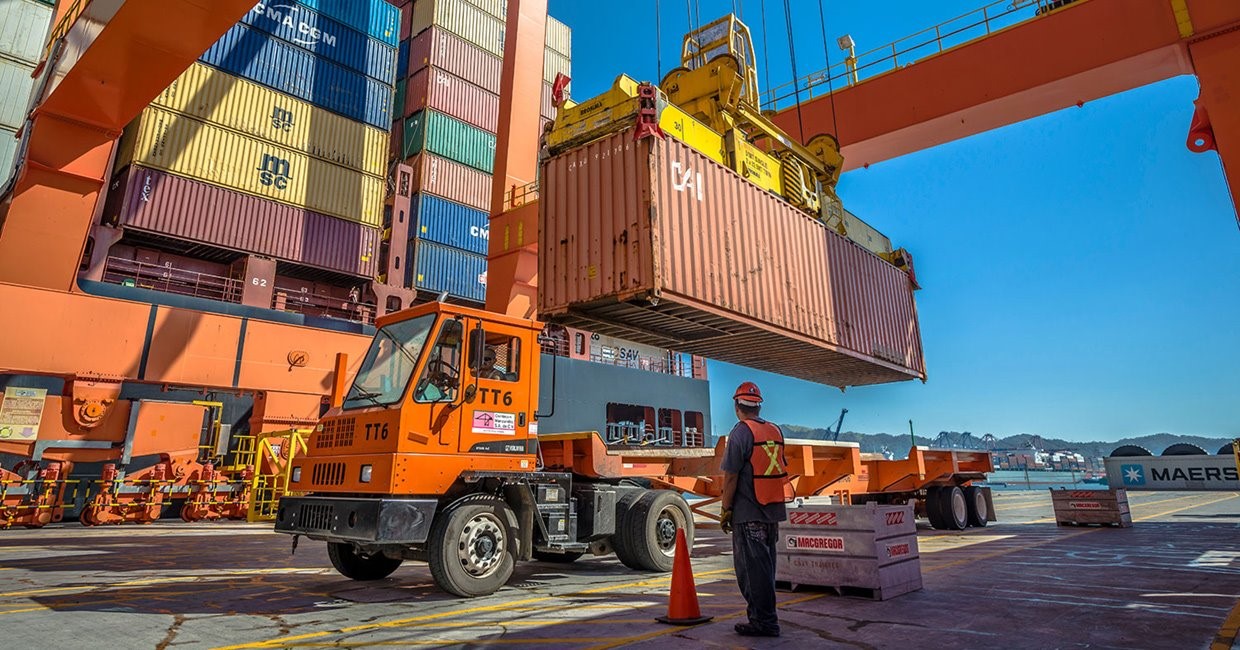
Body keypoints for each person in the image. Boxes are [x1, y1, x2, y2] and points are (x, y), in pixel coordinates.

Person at [720, 381, 790, 638]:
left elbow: (730, 477)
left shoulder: (740, 432)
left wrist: (726, 508)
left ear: (737, 406)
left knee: (751, 572)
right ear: (759, 406)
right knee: (766, 569)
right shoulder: (775, 430)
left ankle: (764, 622)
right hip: (772, 511)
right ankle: (763, 618)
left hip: (749, 514)